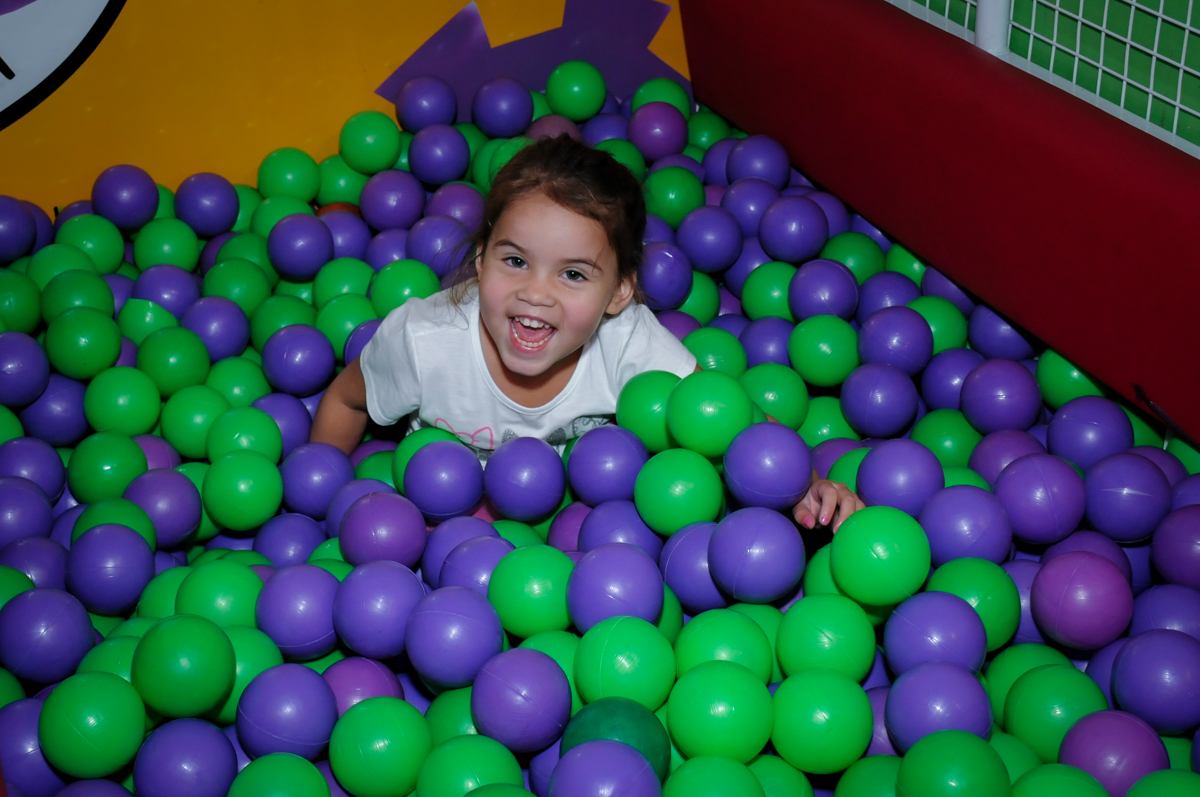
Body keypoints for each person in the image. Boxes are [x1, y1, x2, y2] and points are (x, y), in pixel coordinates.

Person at [311, 134, 863, 531]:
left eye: (573, 274)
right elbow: (344, 398)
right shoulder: (425, 341)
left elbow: (727, 423)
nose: (537, 293)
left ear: (619, 293)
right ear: (480, 261)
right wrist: (322, 501)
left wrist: (806, 485)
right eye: (515, 261)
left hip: (578, 528)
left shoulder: (626, 341)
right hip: (433, 519)